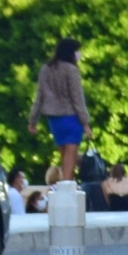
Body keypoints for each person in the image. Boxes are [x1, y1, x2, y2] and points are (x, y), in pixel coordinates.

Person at [29, 38, 89, 184]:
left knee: (64, 155)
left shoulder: (46, 69)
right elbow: (77, 98)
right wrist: (86, 123)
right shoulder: (71, 70)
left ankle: (64, 184)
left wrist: (32, 120)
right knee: (71, 156)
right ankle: (67, 185)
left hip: (54, 119)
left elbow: (39, 96)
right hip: (71, 117)